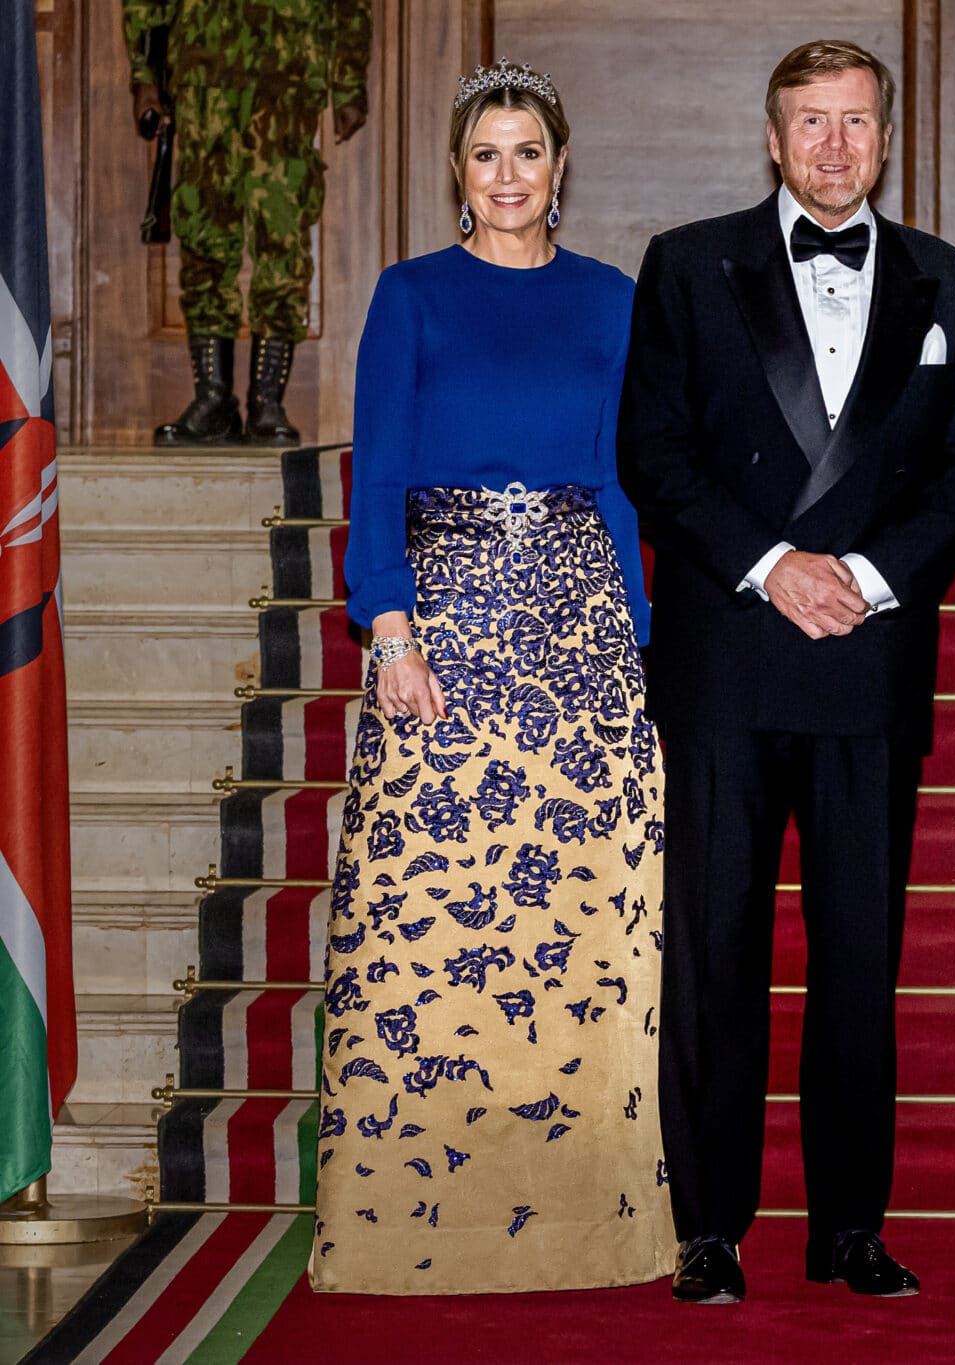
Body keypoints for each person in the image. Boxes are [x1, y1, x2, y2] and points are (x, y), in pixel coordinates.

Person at [617, 39, 955, 1305]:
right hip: (728, 660)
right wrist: (776, 563)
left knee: (856, 962)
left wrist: (870, 579)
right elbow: (652, 455)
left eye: (855, 122)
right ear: (772, 138)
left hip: (868, 663)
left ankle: (848, 1228)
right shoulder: (686, 264)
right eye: (809, 122)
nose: (834, 145)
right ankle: (710, 1228)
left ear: (885, 138)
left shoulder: (952, 281)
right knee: (714, 957)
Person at [311, 60, 671, 1294]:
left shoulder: (614, 300)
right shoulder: (411, 297)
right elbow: (382, 477)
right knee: (438, 931)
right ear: (458, 174)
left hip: (578, 633)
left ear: (560, 167)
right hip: (447, 636)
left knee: (576, 926)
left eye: (528, 152)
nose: (508, 176)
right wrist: (390, 633)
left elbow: (624, 481)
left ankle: (589, 1220)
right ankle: (420, 1224)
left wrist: (631, 638)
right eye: (486, 155)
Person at [123, 0, 371, 447]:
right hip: (203, 73)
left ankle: (266, 402)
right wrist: (144, 74)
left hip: (287, 73)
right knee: (203, 237)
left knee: (283, 238)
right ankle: (213, 399)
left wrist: (349, 82)